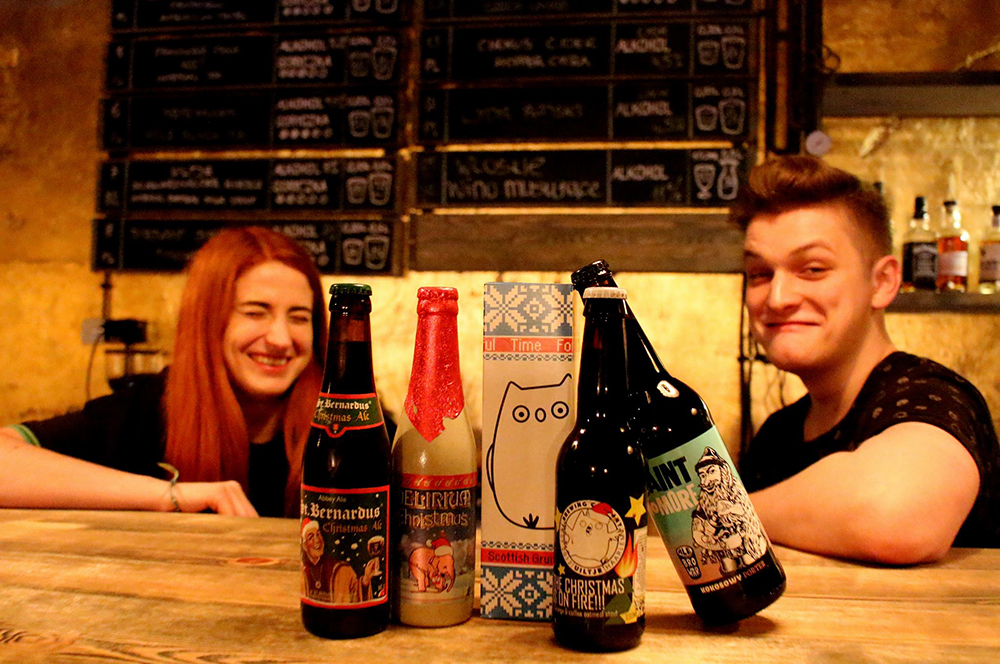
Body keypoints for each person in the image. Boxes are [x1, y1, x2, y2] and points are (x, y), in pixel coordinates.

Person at [732, 155, 999, 564]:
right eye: (760, 274)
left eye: (813, 269)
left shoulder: (931, 396)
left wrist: (725, 513)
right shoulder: (778, 435)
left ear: (882, 282)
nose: (778, 298)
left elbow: (894, 514)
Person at [0, 226, 327, 517]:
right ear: (207, 322)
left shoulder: (343, 421)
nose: (281, 339)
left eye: (299, 317)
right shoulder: (149, 409)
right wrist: (169, 496)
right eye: (255, 313)